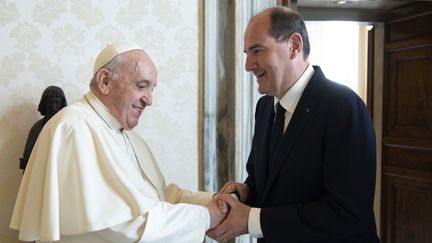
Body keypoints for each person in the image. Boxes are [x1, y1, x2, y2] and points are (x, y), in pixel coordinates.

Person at [10, 42, 227, 242]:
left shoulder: (126, 135)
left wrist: (217, 200)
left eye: (152, 89)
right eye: (141, 86)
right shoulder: (74, 127)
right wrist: (206, 216)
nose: (149, 100)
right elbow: (121, 224)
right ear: (105, 81)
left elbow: (159, 195)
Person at [207, 6, 379, 243]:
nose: (248, 65)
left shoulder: (344, 107)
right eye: (246, 53)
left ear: (294, 46)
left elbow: (347, 214)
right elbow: (263, 183)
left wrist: (251, 220)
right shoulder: (265, 108)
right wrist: (243, 194)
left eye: (257, 50)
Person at [19, 85, 67, 173]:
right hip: (39, 171)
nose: (53, 106)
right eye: (50, 102)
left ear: (61, 104)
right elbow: (28, 156)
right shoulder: (37, 127)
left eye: (56, 102)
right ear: (44, 104)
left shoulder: (66, 126)